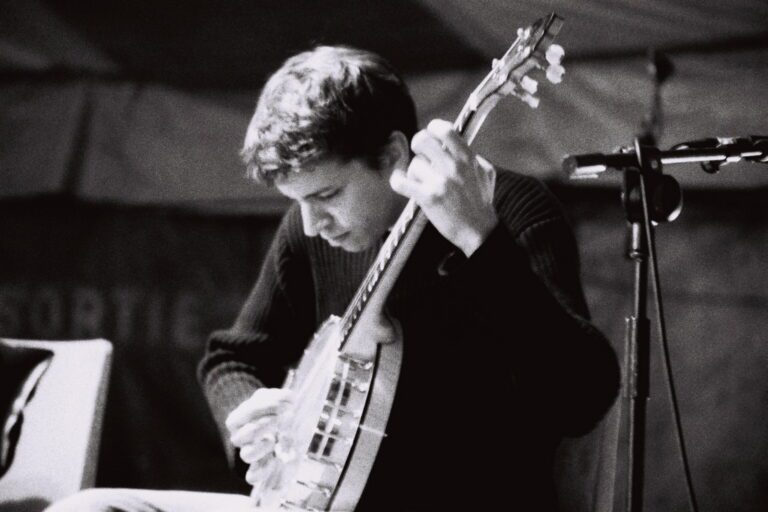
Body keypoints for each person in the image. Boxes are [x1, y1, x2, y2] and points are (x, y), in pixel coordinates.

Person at [46, 45, 619, 512]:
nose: (312, 225)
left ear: (392, 155)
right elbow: (230, 359)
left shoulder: (509, 210)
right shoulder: (310, 232)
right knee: (93, 508)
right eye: (297, 202)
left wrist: (480, 240)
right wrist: (251, 419)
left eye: (327, 195)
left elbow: (583, 396)